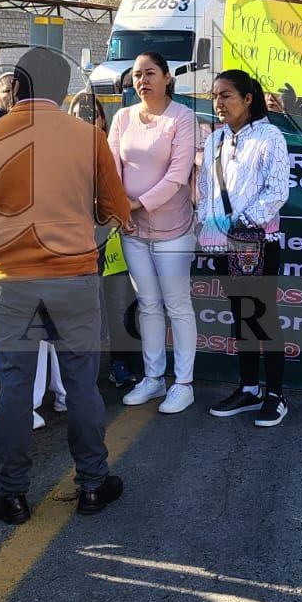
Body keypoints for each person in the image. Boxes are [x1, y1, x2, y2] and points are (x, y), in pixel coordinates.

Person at [0, 46, 130, 525]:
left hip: (9, 281)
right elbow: (116, 210)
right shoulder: (89, 137)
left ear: (16, 87)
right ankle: (93, 483)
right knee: (81, 384)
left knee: (15, 387)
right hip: (74, 276)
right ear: (62, 90)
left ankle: (12, 495)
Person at [107, 52, 201, 415]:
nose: (142, 81)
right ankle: (153, 378)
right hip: (132, 230)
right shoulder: (122, 117)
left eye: (149, 73)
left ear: (166, 78)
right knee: (147, 304)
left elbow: (178, 176)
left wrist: (134, 205)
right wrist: (120, 208)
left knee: (177, 304)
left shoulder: (183, 117)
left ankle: (184, 383)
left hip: (173, 229)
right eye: (136, 75)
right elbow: (111, 167)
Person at [199, 70, 292, 428]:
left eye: (226, 96)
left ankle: (276, 394)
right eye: (215, 96)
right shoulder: (215, 139)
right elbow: (206, 189)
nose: (218, 103)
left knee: (262, 316)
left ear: (248, 99)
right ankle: (249, 387)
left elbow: (277, 191)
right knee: (240, 315)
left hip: (258, 243)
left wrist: (243, 223)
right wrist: (209, 225)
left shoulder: (270, 136)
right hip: (223, 243)